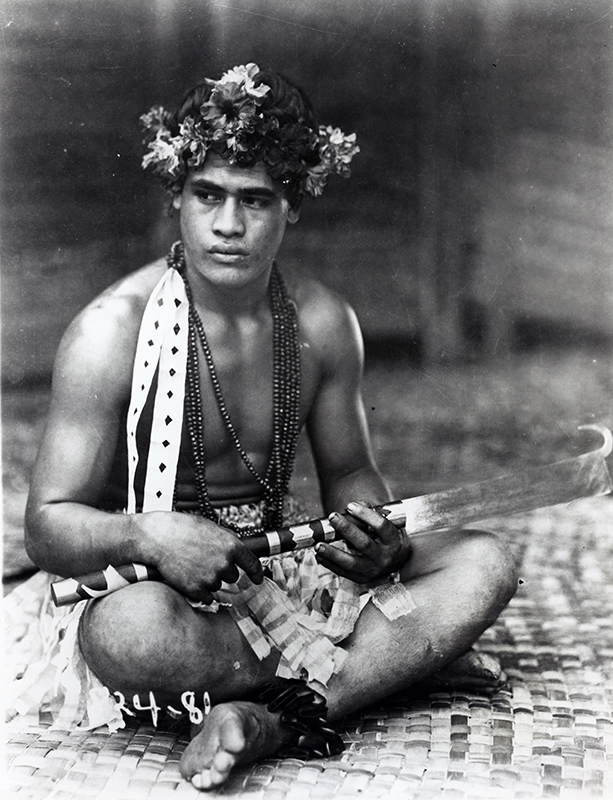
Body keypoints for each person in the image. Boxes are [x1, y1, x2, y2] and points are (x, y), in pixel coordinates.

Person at [15, 64, 517, 791]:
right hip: (153, 581)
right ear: (175, 196)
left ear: (293, 205)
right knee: (129, 635)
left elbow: (350, 474)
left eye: (255, 200)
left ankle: (268, 721)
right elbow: (48, 527)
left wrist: (373, 535)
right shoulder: (109, 332)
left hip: (280, 563)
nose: (228, 224)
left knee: (486, 563)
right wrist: (150, 535)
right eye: (207, 195)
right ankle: (385, 667)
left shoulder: (324, 322)